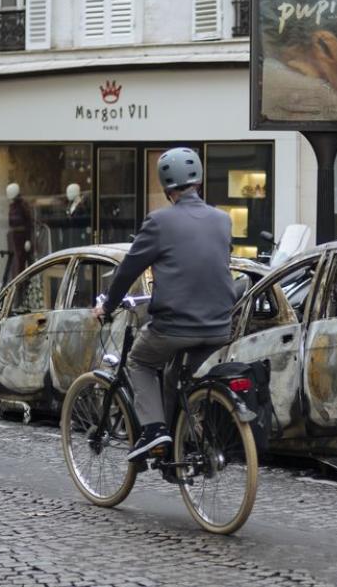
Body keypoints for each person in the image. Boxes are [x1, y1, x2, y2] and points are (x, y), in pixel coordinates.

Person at [91, 148, 236, 461]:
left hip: (176, 326)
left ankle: (155, 431)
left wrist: (108, 304)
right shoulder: (223, 220)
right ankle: (181, 447)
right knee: (173, 376)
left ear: (166, 186)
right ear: (198, 181)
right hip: (220, 327)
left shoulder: (159, 221)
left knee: (139, 362)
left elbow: (128, 269)